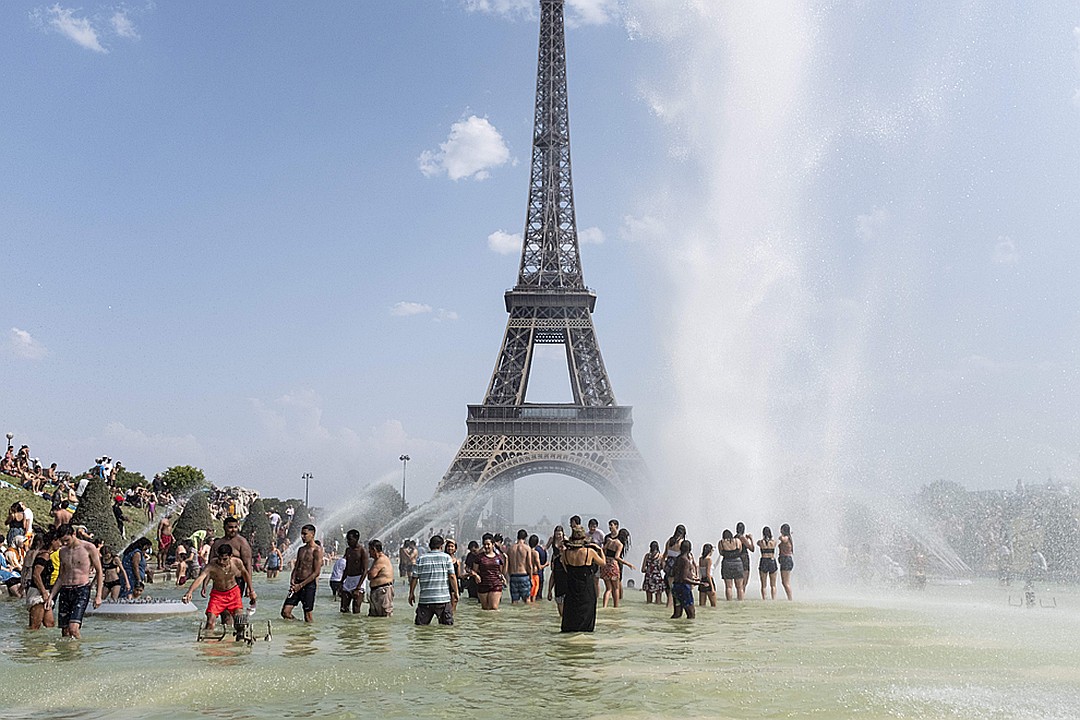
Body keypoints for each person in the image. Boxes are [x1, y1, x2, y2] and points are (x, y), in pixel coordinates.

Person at [47, 524, 104, 639]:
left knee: (73, 628)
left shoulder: (89, 548)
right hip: (65, 590)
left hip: (81, 589)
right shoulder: (62, 551)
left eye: (67, 540)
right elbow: (61, 576)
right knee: (65, 631)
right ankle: (67, 656)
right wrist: (51, 596)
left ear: (74, 534)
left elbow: (99, 572)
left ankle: (79, 654)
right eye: (62, 541)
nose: (65, 544)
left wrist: (98, 595)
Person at [183, 543, 257, 632]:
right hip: (217, 595)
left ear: (231, 556)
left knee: (240, 621)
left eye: (225, 559)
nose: (221, 562)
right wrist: (190, 591)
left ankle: (239, 640)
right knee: (210, 622)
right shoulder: (212, 565)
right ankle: (208, 642)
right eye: (219, 558)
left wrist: (251, 590)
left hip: (233, 593)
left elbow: (245, 574)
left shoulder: (237, 562)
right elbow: (201, 577)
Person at [559, 525, 605, 632]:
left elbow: (566, 569)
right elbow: (603, 563)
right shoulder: (589, 552)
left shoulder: (565, 553)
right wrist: (600, 550)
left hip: (571, 587)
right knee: (587, 615)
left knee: (571, 614)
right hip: (586, 588)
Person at [409, 535, 458, 625]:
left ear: (429, 546)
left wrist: (411, 593)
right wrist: (456, 592)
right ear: (441, 546)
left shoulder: (421, 559)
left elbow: (414, 578)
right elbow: (452, 576)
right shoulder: (447, 558)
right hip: (443, 600)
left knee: (421, 628)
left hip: (425, 600)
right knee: (447, 629)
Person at [281, 524, 323, 622]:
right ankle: (299, 625)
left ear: (312, 534)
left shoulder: (317, 550)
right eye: (302, 534)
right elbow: (296, 567)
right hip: (297, 584)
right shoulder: (301, 549)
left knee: (307, 615)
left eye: (305, 534)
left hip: (308, 585)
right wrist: (292, 580)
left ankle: (308, 635)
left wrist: (300, 585)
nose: (302, 536)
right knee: (285, 612)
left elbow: (316, 572)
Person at [25, 531, 59, 630]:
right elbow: (36, 575)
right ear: (53, 541)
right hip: (38, 592)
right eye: (59, 541)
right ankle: (30, 644)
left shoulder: (47, 554)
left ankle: (45, 645)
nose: (60, 544)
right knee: (35, 626)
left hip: (44, 591)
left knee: (50, 623)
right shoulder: (44, 556)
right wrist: (43, 592)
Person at [210, 517, 253, 596]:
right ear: (224, 527)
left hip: (237, 580)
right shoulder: (217, 543)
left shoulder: (242, 542)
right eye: (230, 527)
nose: (233, 530)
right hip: (219, 580)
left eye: (235, 527)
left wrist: (249, 587)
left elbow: (248, 564)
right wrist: (204, 585)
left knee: (233, 606)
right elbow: (210, 565)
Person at [470, 534, 506, 610]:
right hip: (483, 584)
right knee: (485, 609)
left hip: (496, 584)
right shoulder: (479, 557)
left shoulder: (498, 557)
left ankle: (494, 622)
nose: (486, 546)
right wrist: (476, 575)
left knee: (493, 607)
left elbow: (502, 572)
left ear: (493, 545)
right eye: (484, 544)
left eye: (488, 544)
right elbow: (474, 571)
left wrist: (503, 577)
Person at [340, 529, 369, 614]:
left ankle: (356, 626)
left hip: (358, 579)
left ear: (356, 539)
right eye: (347, 540)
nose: (348, 542)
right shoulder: (348, 550)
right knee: (343, 608)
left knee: (356, 608)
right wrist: (341, 582)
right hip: (348, 579)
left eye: (350, 540)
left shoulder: (362, 551)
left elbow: (365, 570)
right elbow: (347, 568)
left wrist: (358, 587)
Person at [507, 529, 537, 605]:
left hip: (513, 576)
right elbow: (529, 565)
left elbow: (508, 565)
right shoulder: (527, 548)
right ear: (526, 538)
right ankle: (526, 615)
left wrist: (509, 576)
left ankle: (514, 616)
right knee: (527, 600)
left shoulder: (510, 549)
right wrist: (530, 578)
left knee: (514, 601)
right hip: (523, 575)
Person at [366, 539, 394, 617]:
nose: (369, 553)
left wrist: (368, 572)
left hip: (383, 591)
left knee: (384, 615)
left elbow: (371, 575)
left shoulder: (381, 560)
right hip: (378, 590)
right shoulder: (377, 560)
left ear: (374, 550)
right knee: (374, 616)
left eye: (370, 550)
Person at [670, 539, 698, 619]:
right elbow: (684, 578)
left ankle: (673, 628)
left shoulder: (677, 558)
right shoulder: (685, 560)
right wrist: (698, 583)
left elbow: (674, 573)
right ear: (690, 549)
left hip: (676, 587)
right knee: (691, 613)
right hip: (684, 588)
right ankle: (687, 630)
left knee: (677, 614)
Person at [601, 519, 624, 608]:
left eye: (612, 525)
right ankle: (612, 607)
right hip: (612, 563)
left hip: (614, 562)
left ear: (616, 526)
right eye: (609, 525)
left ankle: (613, 605)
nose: (610, 527)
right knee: (614, 587)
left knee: (614, 586)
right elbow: (603, 550)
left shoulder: (620, 537)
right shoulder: (608, 537)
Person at [546, 525, 568, 614]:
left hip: (564, 559)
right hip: (555, 560)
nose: (558, 536)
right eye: (557, 534)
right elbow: (545, 548)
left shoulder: (565, 539)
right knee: (555, 574)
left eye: (560, 534)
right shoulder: (552, 539)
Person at [664, 525, 686, 608]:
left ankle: (670, 605)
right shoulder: (682, 542)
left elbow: (665, 554)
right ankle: (669, 606)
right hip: (677, 564)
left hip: (669, 563)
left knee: (670, 586)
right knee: (673, 588)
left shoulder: (670, 541)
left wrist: (664, 565)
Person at [719, 529, 744, 601]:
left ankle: (729, 601)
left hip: (727, 563)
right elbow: (740, 550)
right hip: (737, 562)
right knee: (739, 587)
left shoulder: (721, 542)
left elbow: (721, 553)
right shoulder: (737, 541)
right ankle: (740, 601)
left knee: (728, 587)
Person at [758, 526, 779, 600]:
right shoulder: (774, 542)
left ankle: (764, 598)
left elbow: (758, 543)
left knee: (763, 585)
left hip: (764, 560)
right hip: (772, 561)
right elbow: (777, 542)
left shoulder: (760, 542)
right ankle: (774, 599)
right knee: (773, 585)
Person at [735, 521, 755, 599]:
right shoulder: (742, 537)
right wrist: (751, 539)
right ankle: (741, 597)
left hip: (737, 558)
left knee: (739, 581)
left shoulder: (735, 537)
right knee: (744, 582)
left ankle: (739, 596)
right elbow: (752, 548)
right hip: (744, 558)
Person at [444, 538, 463, 615]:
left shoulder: (457, 561)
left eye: (452, 546)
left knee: (453, 607)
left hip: (453, 585)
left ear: (455, 549)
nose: (450, 548)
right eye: (448, 546)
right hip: (444, 584)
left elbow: (459, 575)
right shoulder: (443, 559)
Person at [698, 543, 717, 607]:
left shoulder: (701, 559)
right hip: (708, 580)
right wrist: (712, 588)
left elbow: (700, 571)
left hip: (702, 580)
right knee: (713, 605)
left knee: (702, 605)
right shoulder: (708, 560)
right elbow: (708, 574)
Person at [778, 523, 794, 601]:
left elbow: (781, 538)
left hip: (786, 560)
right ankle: (789, 598)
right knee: (784, 582)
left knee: (785, 582)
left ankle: (790, 598)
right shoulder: (789, 538)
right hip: (786, 560)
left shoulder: (786, 538)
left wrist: (786, 534)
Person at [530, 534, 547, 601]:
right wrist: (546, 564)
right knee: (535, 597)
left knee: (528, 597)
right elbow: (539, 567)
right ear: (537, 543)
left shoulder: (526, 550)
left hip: (527, 575)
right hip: (536, 575)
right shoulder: (537, 552)